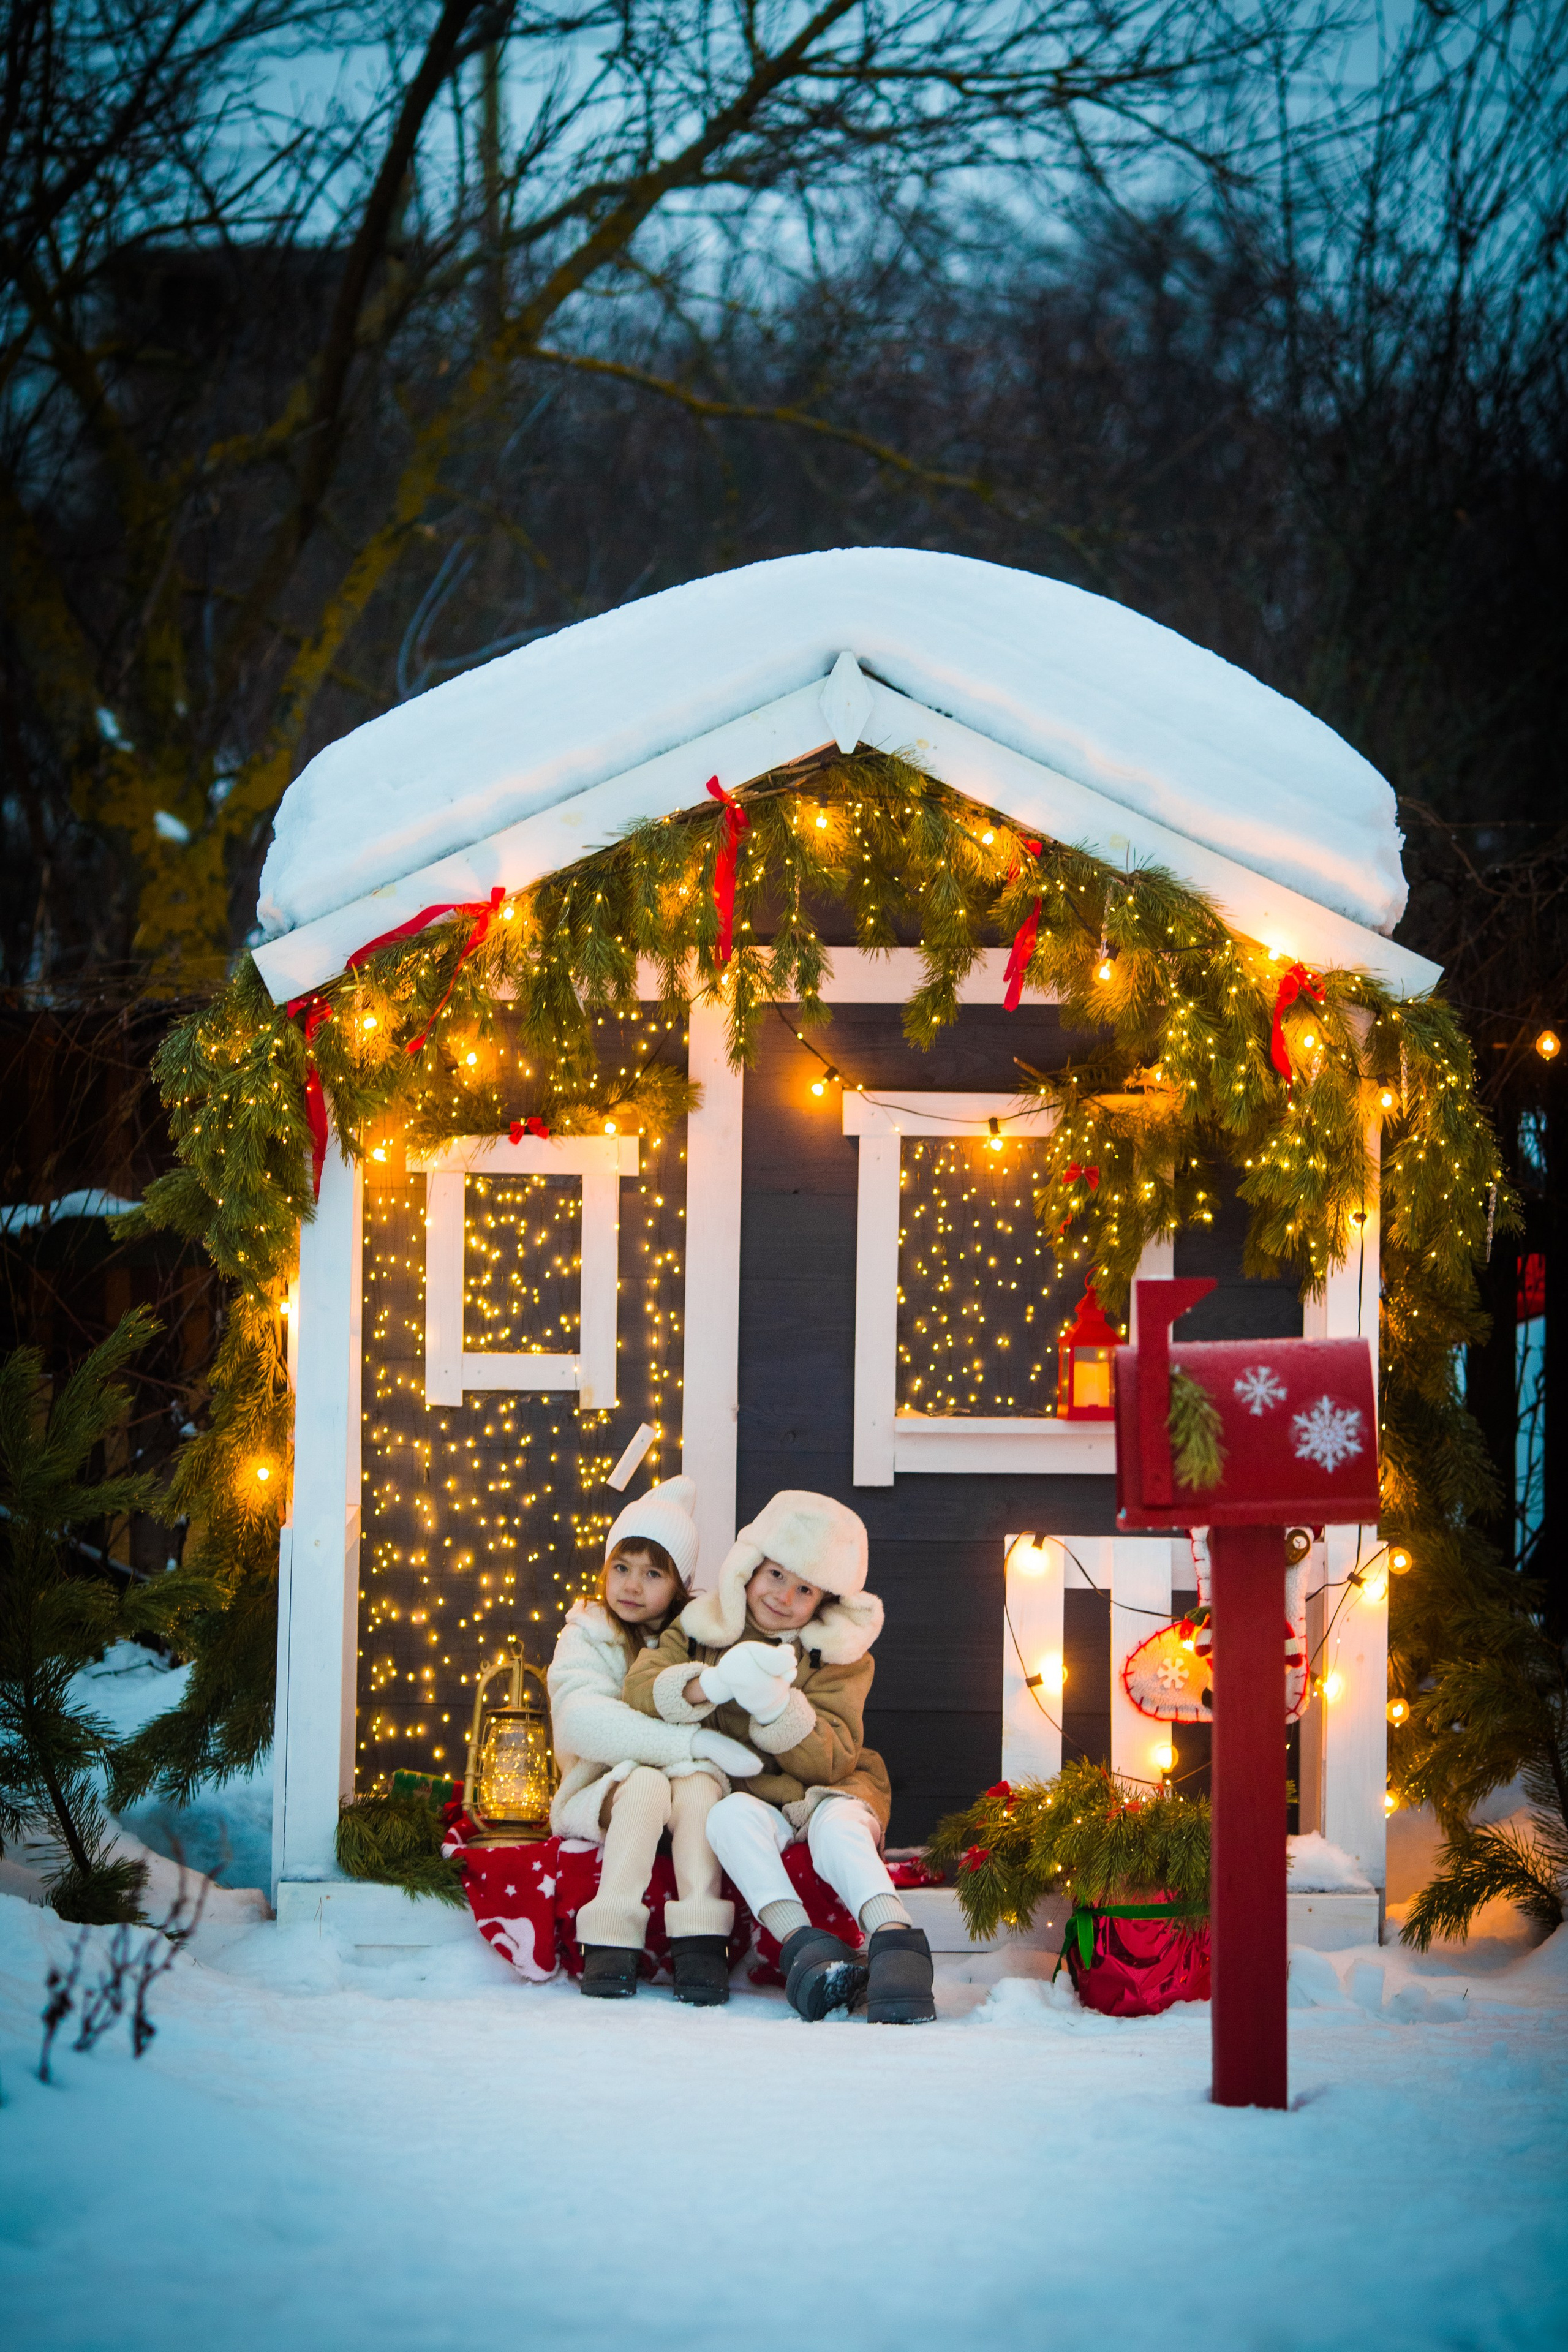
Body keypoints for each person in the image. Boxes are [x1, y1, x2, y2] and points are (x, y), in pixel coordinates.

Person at [625, 1489, 935, 2024]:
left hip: (829, 1789)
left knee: (838, 1831)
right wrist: (713, 1683)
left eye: (805, 1588)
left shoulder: (840, 1658)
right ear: (750, 1567)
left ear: (824, 1600)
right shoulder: (703, 1628)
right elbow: (640, 1687)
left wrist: (777, 1708)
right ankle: (806, 1949)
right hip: (754, 1792)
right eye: (775, 1575)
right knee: (725, 1819)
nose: (784, 1596)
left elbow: (834, 1759)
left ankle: (896, 1942)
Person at [547, 1474, 761, 2005]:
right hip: (600, 1787)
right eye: (621, 1568)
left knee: (700, 1789)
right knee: (643, 1783)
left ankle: (700, 1941)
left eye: (651, 1574)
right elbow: (583, 1723)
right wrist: (689, 1745)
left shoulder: (691, 1636)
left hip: (681, 1785)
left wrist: (697, 1757)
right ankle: (611, 1941)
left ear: (680, 1584)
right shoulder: (586, 1633)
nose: (631, 1586)